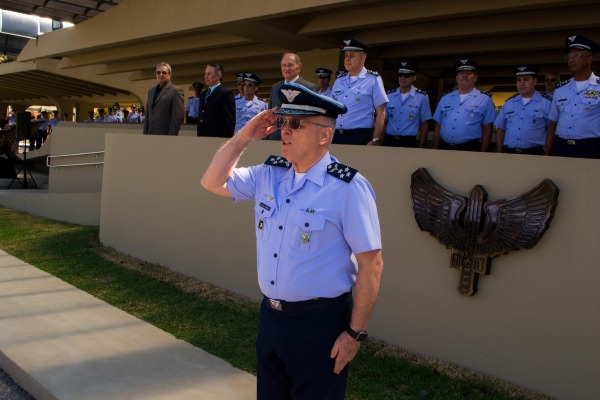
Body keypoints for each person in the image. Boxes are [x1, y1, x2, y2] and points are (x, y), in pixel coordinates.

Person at [201, 82, 383, 400]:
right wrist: (244, 136)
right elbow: (211, 181)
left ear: (324, 135)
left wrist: (354, 333)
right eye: (283, 122)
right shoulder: (269, 174)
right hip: (270, 319)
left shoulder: (348, 187)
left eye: (296, 124)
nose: (285, 131)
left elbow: (372, 264)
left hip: (319, 325)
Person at [545, 35, 600, 158]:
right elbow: (553, 123)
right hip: (561, 146)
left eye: (576, 55)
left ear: (589, 59)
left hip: (590, 147)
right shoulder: (560, 89)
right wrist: (547, 152)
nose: (571, 60)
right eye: (569, 56)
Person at [331, 39, 388, 146]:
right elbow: (332, 111)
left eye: (352, 56)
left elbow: (381, 112)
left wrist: (375, 140)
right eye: (346, 55)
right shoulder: (339, 81)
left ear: (363, 58)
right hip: (337, 135)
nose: (347, 59)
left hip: (359, 136)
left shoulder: (373, 79)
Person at [432, 59, 496, 152]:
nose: (464, 75)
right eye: (461, 73)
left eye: (469, 73)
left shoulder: (484, 99)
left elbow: (487, 128)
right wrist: (435, 149)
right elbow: (438, 125)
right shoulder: (445, 98)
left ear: (475, 78)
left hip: (470, 148)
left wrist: (483, 153)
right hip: (444, 147)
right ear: (457, 77)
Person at [494, 65, 551, 155]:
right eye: (519, 80)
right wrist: (500, 152)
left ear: (535, 81)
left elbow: (551, 131)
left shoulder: (546, 104)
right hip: (509, 153)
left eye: (526, 79)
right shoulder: (509, 104)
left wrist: (547, 154)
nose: (522, 83)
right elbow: (500, 129)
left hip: (534, 153)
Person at [267, 53, 317, 140]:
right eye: (284, 65)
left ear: (299, 67)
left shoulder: (309, 88)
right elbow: (270, 116)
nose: (286, 69)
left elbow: (313, 119)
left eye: (290, 65)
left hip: (297, 139)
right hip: (275, 139)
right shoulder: (275, 88)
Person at [383, 60, 432, 148]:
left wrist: (420, 146)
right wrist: (379, 142)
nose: (402, 78)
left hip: (408, 142)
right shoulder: (390, 95)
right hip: (389, 140)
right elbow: (384, 121)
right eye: (400, 74)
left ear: (414, 77)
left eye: (407, 75)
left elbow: (424, 124)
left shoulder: (422, 97)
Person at [143, 62, 185, 135]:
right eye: (158, 72)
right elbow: (148, 115)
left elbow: (177, 118)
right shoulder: (151, 91)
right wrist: (145, 135)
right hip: (150, 135)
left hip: (165, 136)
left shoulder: (176, 91)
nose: (161, 75)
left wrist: (170, 138)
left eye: (164, 73)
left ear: (170, 75)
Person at [197, 63, 236, 138]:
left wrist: (224, 142)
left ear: (218, 76)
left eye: (209, 74)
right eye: (205, 74)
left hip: (217, 139)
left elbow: (229, 122)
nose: (206, 77)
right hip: (202, 139)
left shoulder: (225, 93)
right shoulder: (203, 94)